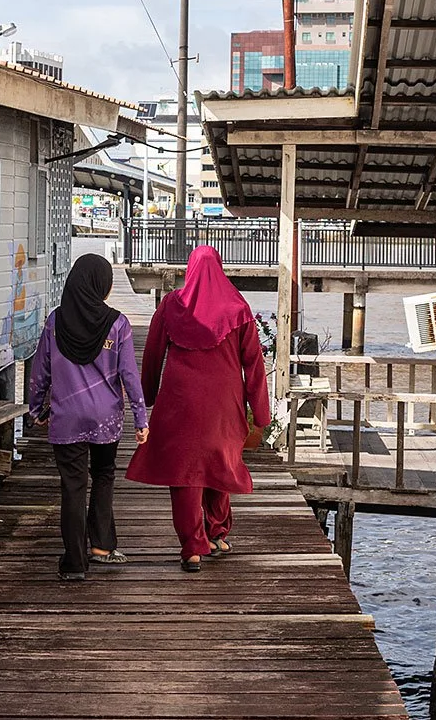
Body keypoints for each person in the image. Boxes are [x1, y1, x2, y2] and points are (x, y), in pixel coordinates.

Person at [126, 245, 271, 572]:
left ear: (189, 270)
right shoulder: (238, 308)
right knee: (221, 461)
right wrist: (260, 415)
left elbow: (152, 355)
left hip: (179, 405)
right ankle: (217, 533)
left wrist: (147, 396)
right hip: (223, 406)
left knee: (185, 472)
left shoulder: (171, 306)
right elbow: (255, 366)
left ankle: (192, 548)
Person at [27, 253, 148, 580]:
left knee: (73, 487)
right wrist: (141, 418)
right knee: (104, 476)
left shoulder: (55, 322)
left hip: (66, 418)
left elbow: (40, 372)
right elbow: (129, 375)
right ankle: (102, 546)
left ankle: (75, 563)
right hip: (105, 420)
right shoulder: (118, 324)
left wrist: (36, 409)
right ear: (102, 286)